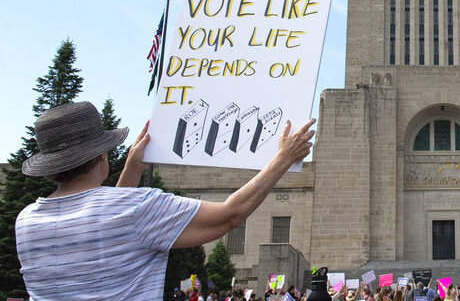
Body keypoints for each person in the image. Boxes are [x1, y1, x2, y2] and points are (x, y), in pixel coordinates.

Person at [15, 100, 315, 301]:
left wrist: (132, 169)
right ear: (102, 155)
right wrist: (283, 159)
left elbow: (109, 228)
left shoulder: (26, 220)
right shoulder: (136, 208)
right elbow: (230, 215)